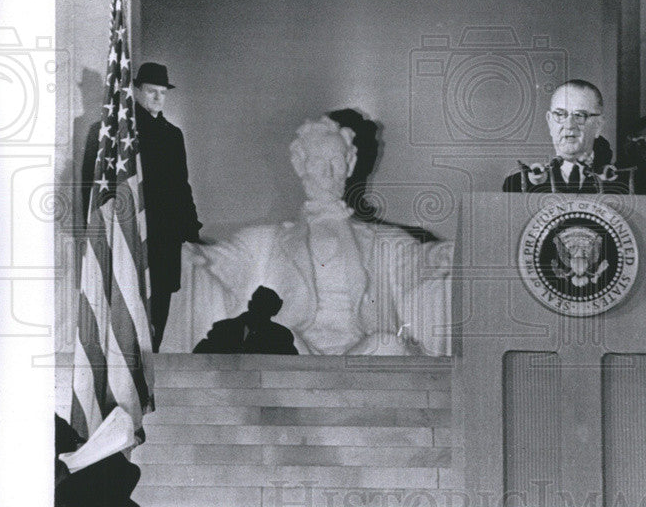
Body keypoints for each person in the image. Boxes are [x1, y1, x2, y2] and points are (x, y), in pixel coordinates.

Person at [194, 116, 453, 355]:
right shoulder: (267, 240)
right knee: (274, 339)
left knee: (389, 344)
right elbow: (220, 261)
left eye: (336, 161)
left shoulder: (381, 240)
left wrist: (440, 255)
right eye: (318, 161)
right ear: (300, 165)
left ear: (349, 164)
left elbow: (417, 261)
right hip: (295, 348)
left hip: (363, 348)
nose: (328, 173)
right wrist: (193, 255)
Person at [82, 62, 203, 351]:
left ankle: (151, 361)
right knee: (125, 299)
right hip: (128, 229)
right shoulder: (112, 132)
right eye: (151, 91)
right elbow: (92, 183)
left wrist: (191, 227)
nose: (158, 98)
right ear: (136, 91)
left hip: (163, 234)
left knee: (159, 302)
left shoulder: (173, 134)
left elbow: (181, 184)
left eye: (163, 92)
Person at [502, 80, 631, 193]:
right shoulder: (517, 186)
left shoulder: (624, 186)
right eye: (560, 114)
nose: (569, 125)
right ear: (550, 122)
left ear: (598, 125)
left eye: (579, 115)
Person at [192, 286, 297, 355]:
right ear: (250, 305)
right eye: (260, 306)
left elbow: (292, 365)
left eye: (266, 307)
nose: (261, 312)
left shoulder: (281, 336)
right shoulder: (223, 329)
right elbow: (198, 358)